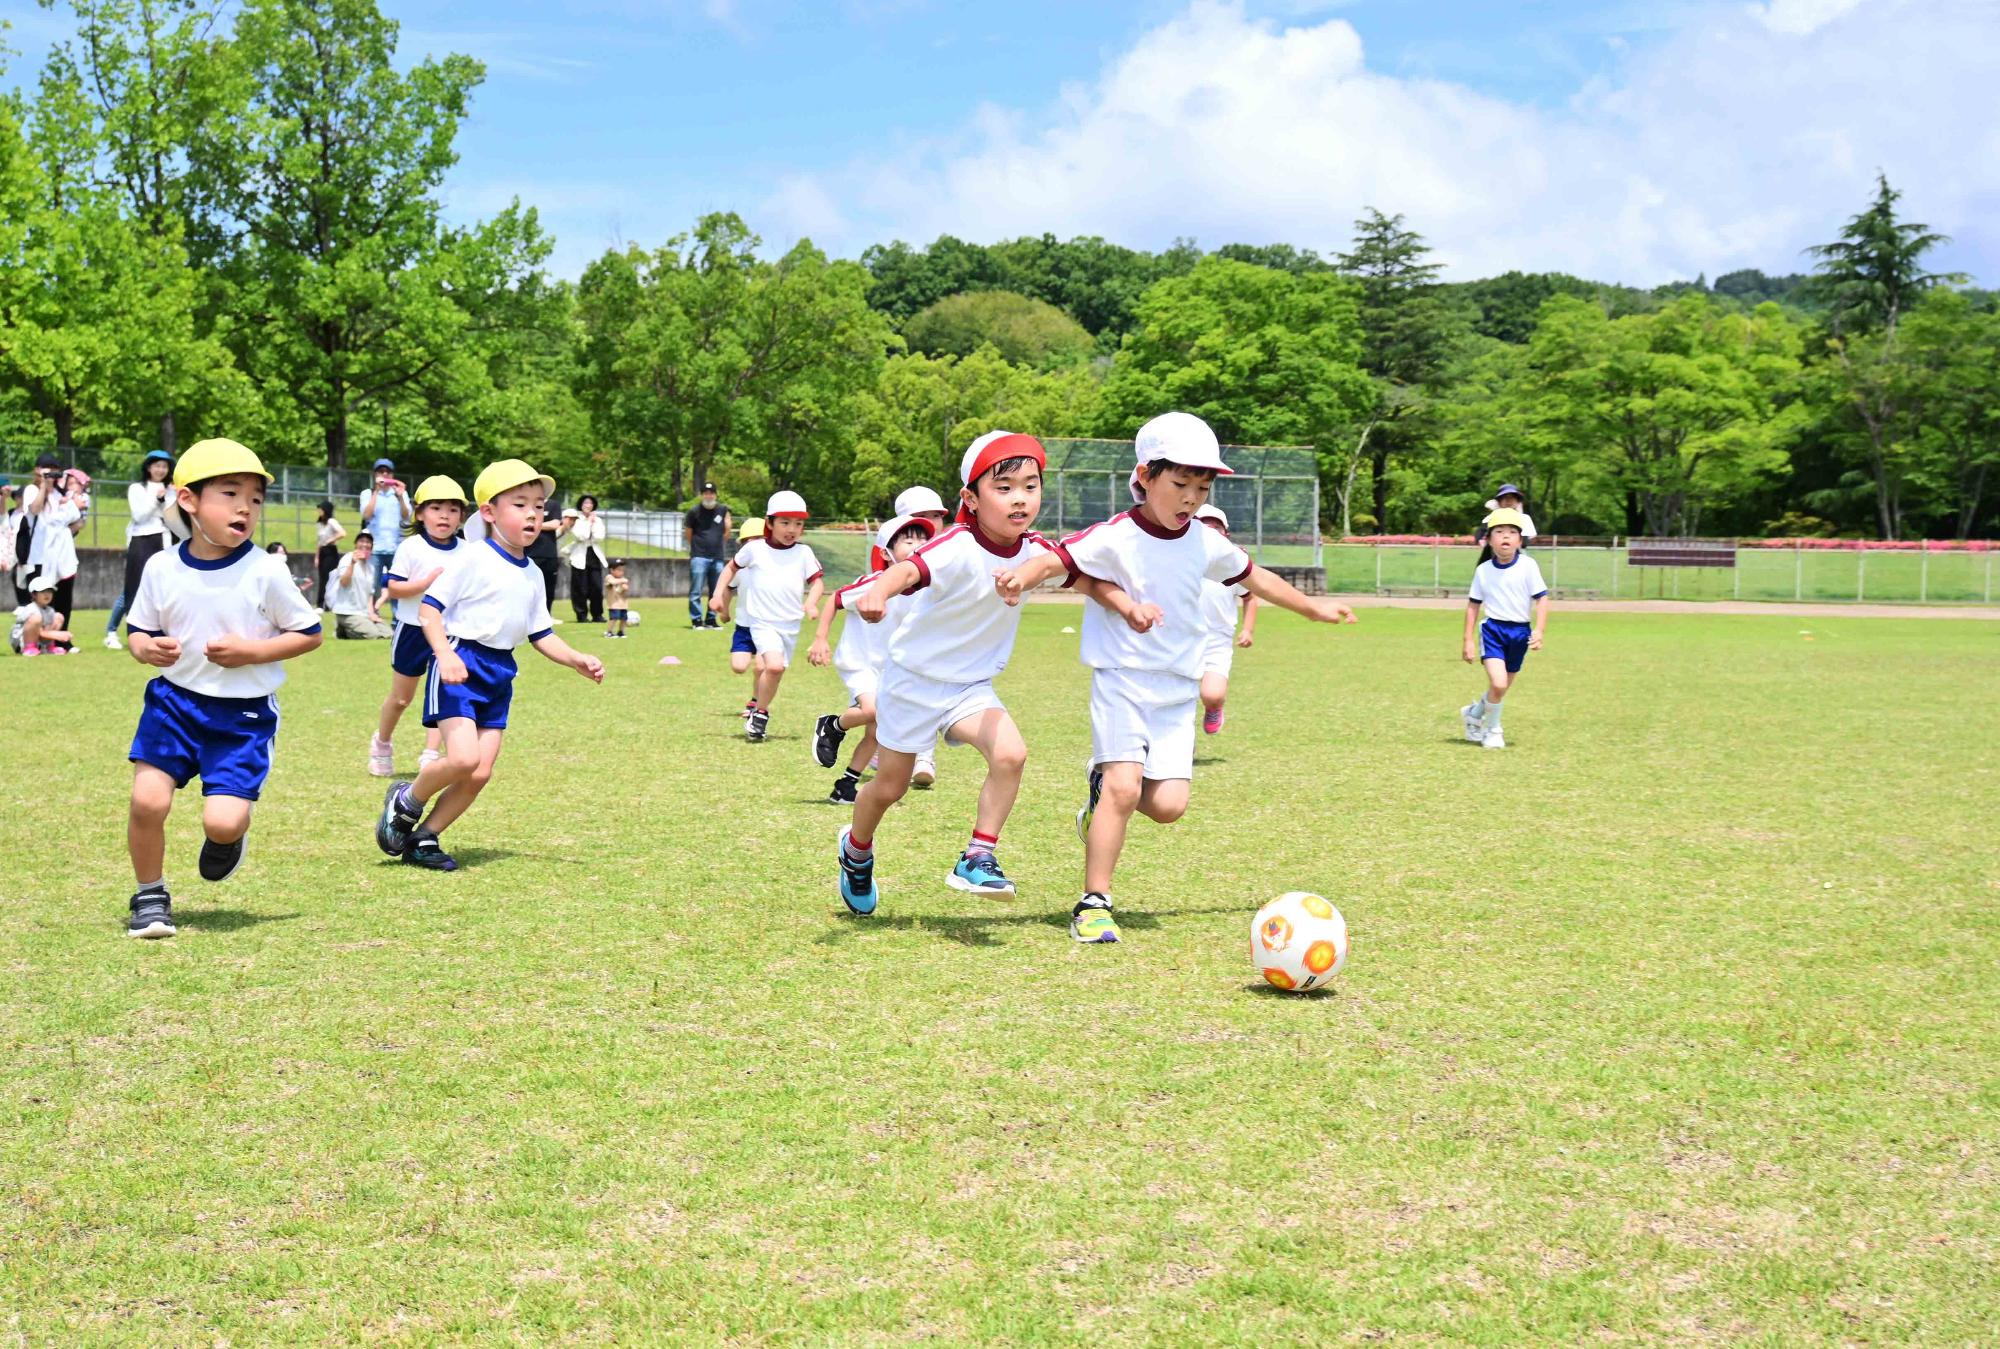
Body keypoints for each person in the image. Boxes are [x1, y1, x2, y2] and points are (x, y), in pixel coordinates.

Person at [997, 412, 1359, 944]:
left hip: (1176, 690)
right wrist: (1020, 576)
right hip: (1122, 680)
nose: (1191, 498)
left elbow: (1256, 577)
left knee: (1167, 807)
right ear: (1145, 476)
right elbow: (1056, 560)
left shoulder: (1204, 542)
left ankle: (1099, 789)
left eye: (1202, 488)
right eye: (1180, 483)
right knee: (1124, 788)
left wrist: (1312, 609)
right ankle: (1093, 903)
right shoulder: (1116, 535)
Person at [834, 431, 1142, 917]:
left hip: (970, 687)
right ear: (971, 499)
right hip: (913, 682)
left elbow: (1083, 579)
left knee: (1011, 753)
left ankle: (978, 855)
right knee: (890, 787)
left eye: (1030, 486)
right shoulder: (955, 545)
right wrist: (878, 593)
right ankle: (856, 850)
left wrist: (1127, 606)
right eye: (1004, 487)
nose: (1020, 498)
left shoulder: (1035, 551)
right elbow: (908, 571)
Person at [122, 438, 324, 938]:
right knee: (148, 802)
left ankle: (229, 835)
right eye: (230, 494)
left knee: (223, 822)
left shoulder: (266, 571)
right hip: (173, 704)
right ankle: (150, 895)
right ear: (188, 500)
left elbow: (309, 633)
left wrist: (252, 652)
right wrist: (146, 648)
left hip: (243, 717)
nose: (245, 508)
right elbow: (138, 630)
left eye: (255, 498)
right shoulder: (161, 567)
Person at [373, 459, 603, 872]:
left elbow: (541, 634)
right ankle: (407, 800)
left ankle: (425, 837)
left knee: (479, 773)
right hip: (460, 662)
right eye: (520, 504)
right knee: (462, 759)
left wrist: (576, 660)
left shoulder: (533, 573)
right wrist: (444, 655)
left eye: (539, 506)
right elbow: (429, 611)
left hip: (500, 671)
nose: (533, 514)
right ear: (489, 512)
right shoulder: (471, 558)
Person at [807, 512, 938, 804]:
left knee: (876, 733)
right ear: (886, 553)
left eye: (923, 540)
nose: (918, 545)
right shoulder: (873, 583)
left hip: (891, 669)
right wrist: (820, 639)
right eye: (909, 541)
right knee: (873, 711)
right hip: (860, 662)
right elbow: (835, 600)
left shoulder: (925, 591)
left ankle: (845, 786)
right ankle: (833, 725)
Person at [370, 476, 468, 776]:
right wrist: (424, 584)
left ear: (461, 517)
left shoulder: (468, 551)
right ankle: (382, 743)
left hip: (449, 633)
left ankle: (431, 754)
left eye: (452, 510)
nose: (444, 516)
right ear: (420, 514)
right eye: (436, 508)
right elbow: (394, 589)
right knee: (402, 698)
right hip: (413, 629)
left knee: (444, 696)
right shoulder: (411, 547)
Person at [709, 491, 823, 743]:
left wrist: (811, 603)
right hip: (762, 622)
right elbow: (730, 569)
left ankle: (759, 711)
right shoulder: (755, 549)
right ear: (769, 523)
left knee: (776, 671)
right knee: (772, 665)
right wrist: (718, 595)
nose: (792, 529)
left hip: (790, 625)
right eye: (785, 522)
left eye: (798, 524)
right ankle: (760, 712)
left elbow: (817, 582)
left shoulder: (804, 552)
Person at [1460, 508, 1548, 751]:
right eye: (1499, 531)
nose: (1506, 536)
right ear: (1489, 539)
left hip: (1520, 633)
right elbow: (1473, 605)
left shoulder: (1528, 566)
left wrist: (1539, 630)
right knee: (1498, 684)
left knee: (1501, 688)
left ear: (1520, 540)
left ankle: (1473, 714)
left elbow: (1542, 598)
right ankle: (1493, 730)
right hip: (1493, 631)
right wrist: (1468, 640)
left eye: (1512, 532)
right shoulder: (1483, 571)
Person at [890, 484, 952, 786]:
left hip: (937, 643)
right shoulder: (895, 555)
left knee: (930, 697)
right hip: (896, 645)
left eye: (936, 516)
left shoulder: (952, 549)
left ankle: (924, 757)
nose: (932, 523)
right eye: (922, 516)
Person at [1192, 504, 1258, 735]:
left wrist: (1247, 630)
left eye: (1216, 527)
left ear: (1226, 534)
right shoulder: (1182, 561)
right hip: (1181, 638)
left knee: (1212, 694)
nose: (1210, 531)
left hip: (1216, 642)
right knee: (1177, 700)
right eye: (1204, 526)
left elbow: (1250, 598)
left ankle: (1214, 707)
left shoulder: (1233, 567)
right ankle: (1180, 743)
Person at [106, 450, 175, 648]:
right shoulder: (137, 488)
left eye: (164, 466)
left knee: (162, 587)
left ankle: (157, 631)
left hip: (164, 539)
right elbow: (139, 515)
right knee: (133, 588)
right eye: (157, 465)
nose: (160, 470)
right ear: (148, 467)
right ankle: (113, 632)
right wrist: (158, 500)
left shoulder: (171, 489)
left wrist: (171, 496)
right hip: (141, 539)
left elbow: (172, 517)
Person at [24, 461, 87, 646]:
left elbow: (78, 523)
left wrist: (73, 509)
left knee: (64, 599)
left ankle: (61, 641)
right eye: (47, 469)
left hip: (62, 555)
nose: (52, 473)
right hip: (39, 556)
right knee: (40, 601)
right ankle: (33, 641)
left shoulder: (62, 495)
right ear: (38, 470)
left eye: (55, 470)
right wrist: (44, 484)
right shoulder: (32, 490)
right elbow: (35, 509)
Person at [358, 459, 411, 593]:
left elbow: (406, 516)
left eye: (388, 471)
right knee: (371, 587)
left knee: (397, 587)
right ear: (375, 474)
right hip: (375, 548)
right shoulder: (367, 493)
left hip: (396, 548)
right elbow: (366, 515)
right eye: (381, 471)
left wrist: (400, 497)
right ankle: (372, 606)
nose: (385, 474)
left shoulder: (400, 493)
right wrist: (376, 491)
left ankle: (395, 608)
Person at [328, 532, 393, 639]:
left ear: (371, 547)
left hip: (364, 613)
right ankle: (343, 630)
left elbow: (370, 595)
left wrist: (372, 614)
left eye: (368, 542)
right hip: (348, 612)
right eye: (361, 541)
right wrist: (352, 564)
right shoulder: (347, 558)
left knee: (389, 634)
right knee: (373, 635)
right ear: (356, 544)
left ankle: (344, 629)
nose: (365, 544)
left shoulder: (371, 567)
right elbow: (344, 583)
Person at [685, 481, 731, 629]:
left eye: (711, 493)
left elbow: (727, 530)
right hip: (699, 556)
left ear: (715, 495)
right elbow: (688, 533)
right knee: (696, 590)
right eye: (706, 493)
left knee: (716, 590)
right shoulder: (694, 511)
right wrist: (697, 547)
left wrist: (718, 545)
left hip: (717, 556)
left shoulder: (723, 510)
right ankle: (697, 620)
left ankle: (711, 619)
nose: (708, 496)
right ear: (702, 495)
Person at [557, 496, 608, 624]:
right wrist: (589, 523)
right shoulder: (576, 520)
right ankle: (581, 615)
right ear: (581, 505)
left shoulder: (598, 520)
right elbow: (582, 536)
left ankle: (597, 614)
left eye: (590, 503)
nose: (588, 505)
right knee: (580, 588)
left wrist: (592, 524)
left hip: (593, 554)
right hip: (579, 556)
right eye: (585, 503)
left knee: (596, 587)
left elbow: (599, 537)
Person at [11, 574, 73, 655]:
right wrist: (57, 635)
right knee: (36, 619)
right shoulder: (31, 609)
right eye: (43, 591)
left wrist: (55, 634)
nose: (47, 595)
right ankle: (29, 648)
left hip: (39, 640)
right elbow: (39, 632)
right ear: (33, 594)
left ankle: (49, 647)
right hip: (21, 642)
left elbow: (43, 632)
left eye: (49, 591)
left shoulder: (50, 610)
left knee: (58, 617)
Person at [1473, 483, 1538, 557]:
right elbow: (1480, 536)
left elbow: (1524, 543)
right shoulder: (1491, 517)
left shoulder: (1524, 518)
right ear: (1499, 501)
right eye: (1505, 498)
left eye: (1512, 498)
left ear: (1517, 501)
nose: (1508, 501)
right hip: (1492, 556)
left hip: (1518, 557)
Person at [315, 501, 347, 607]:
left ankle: (327, 604)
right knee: (322, 577)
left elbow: (342, 533)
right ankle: (320, 603)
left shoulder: (331, 522)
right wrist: (317, 557)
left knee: (329, 578)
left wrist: (331, 540)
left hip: (330, 551)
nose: (319, 511)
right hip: (322, 551)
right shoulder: (320, 524)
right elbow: (319, 541)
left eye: (321, 509)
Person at [604, 558, 631, 637]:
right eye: (619, 570)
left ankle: (621, 632)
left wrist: (624, 588)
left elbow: (624, 590)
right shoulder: (609, 577)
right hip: (614, 604)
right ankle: (609, 632)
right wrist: (623, 581)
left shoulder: (622, 579)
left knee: (624, 618)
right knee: (614, 618)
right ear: (612, 570)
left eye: (622, 570)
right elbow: (613, 582)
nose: (621, 572)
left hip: (623, 604)